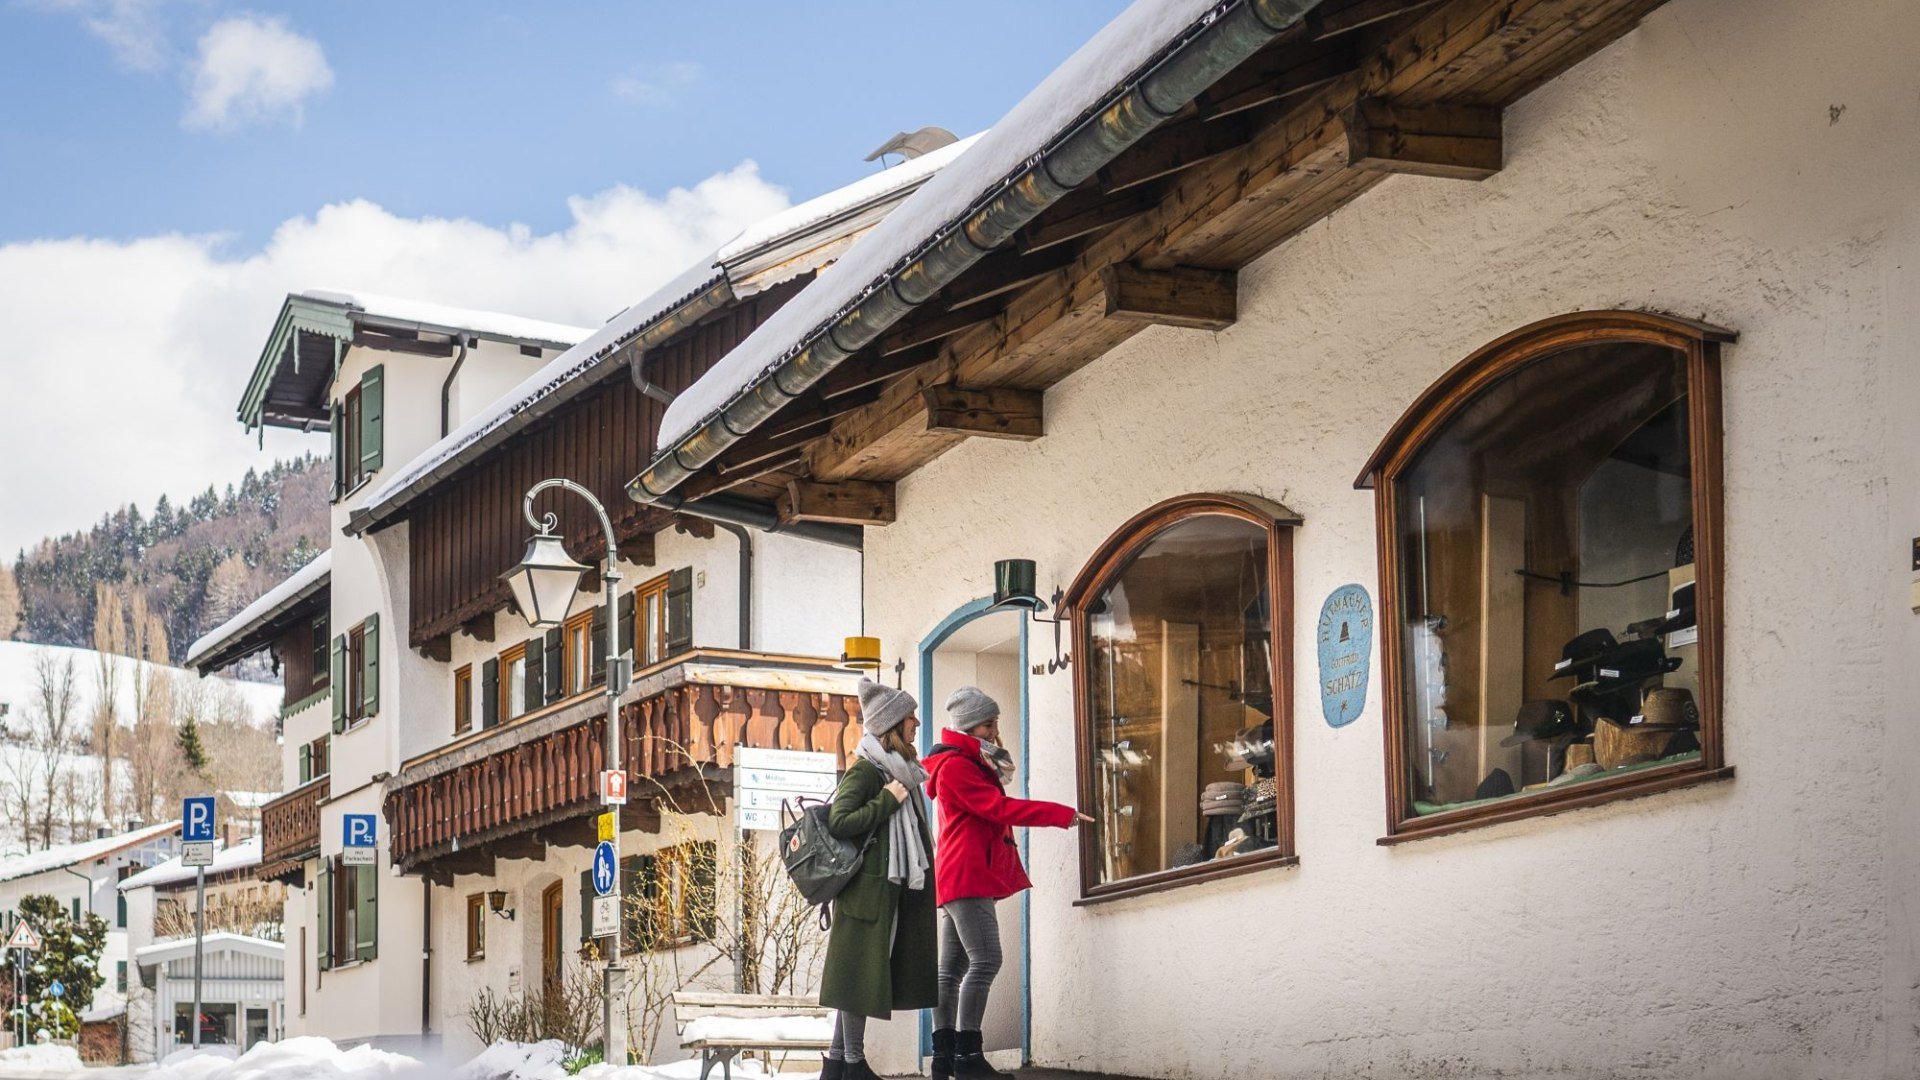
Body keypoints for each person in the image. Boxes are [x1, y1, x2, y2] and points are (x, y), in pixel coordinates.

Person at [923, 686, 1088, 1080]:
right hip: (968, 876)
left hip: (959, 875)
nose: (995, 731)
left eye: (995, 722)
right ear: (967, 727)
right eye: (988, 724)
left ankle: (944, 1058)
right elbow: (998, 808)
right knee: (986, 960)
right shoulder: (958, 767)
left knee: (952, 969)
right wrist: (1060, 814)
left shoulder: (963, 762)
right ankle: (968, 1057)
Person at [818, 677, 938, 1080]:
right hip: (866, 895)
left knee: (859, 977)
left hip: (883, 891)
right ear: (892, 725)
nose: (916, 723)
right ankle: (853, 1064)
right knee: (859, 979)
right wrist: (886, 801)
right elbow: (839, 821)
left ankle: (838, 1064)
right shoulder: (868, 771)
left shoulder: (902, 772)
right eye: (910, 717)